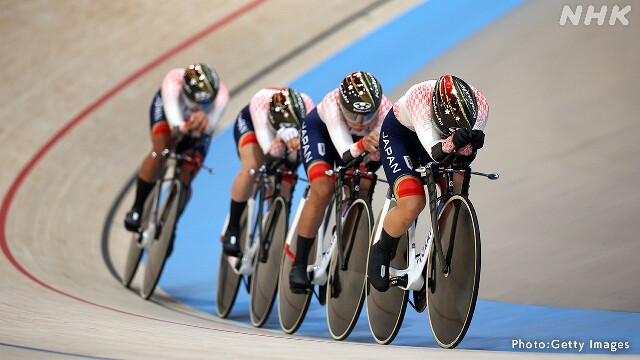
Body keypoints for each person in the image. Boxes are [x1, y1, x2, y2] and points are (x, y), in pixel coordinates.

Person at [367, 74, 488, 292]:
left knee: (457, 186)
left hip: (441, 141)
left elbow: (466, 154)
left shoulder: (480, 105)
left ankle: (438, 250)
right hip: (402, 138)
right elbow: (435, 150)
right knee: (412, 202)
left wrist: (470, 146)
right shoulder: (419, 97)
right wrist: (455, 142)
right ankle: (381, 250)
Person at [288, 71, 393, 293]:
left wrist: (374, 154)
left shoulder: (386, 111)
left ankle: (343, 247)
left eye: (366, 116)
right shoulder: (331, 104)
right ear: (343, 104)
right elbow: (346, 153)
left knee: (364, 185)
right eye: (354, 114)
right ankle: (298, 265)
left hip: (358, 142)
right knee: (323, 189)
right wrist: (365, 142)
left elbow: (378, 156)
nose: (360, 121)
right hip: (323, 134)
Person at [124, 63, 229, 233]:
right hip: (170, 114)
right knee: (161, 150)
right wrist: (185, 126)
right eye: (196, 101)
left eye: (205, 102)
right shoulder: (173, 81)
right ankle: (137, 207)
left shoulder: (222, 95)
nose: (200, 105)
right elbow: (176, 125)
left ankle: (170, 225)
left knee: (189, 171)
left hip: (197, 125)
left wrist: (199, 127)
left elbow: (208, 127)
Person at [222, 87, 315, 257]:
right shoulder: (260, 103)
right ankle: (232, 228)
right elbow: (270, 153)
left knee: (288, 174)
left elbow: (308, 145)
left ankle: (274, 225)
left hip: (292, 131)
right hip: (253, 125)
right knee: (252, 167)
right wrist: (283, 137)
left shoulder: (308, 106)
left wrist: (294, 151)